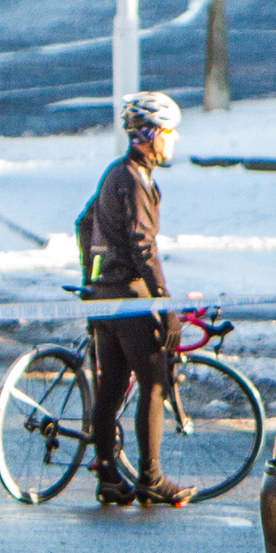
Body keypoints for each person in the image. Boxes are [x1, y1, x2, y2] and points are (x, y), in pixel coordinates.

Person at [76, 92, 191, 508]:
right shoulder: (135, 180)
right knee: (155, 382)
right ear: (150, 136)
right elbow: (144, 245)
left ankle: (108, 475)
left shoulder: (115, 174)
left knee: (110, 389)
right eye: (170, 133)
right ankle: (152, 478)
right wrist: (165, 302)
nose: (174, 141)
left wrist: (92, 278)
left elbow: (84, 223)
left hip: (105, 299)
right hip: (129, 298)